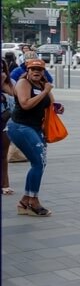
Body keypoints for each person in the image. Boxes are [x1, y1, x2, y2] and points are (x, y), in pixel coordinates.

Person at [7, 59, 57, 216]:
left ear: (43, 71)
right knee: (38, 162)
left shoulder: (43, 84)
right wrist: (45, 92)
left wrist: (56, 106)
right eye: (33, 69)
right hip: (20, 127)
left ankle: (25, 201)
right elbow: (25, 104)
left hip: (35, 127)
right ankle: (32, 201)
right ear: (27, 70)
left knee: (39, 163)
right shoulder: (23, 84)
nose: (36, 72)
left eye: (40, 69)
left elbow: (50, 103)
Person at [2, 59, 16, 195]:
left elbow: (16, 97)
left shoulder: (9, 84)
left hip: (4, 124)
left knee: (3, 155)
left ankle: (5, 184)